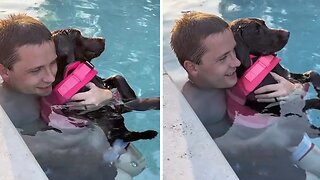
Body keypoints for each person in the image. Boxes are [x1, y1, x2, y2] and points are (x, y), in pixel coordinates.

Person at [170, 11, 320, 179]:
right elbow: (202, 153)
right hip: (264, 156)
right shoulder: (195, 107)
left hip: (283, 135)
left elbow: (290, 82)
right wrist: (269, 139)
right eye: (223, 58)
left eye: (234, 50)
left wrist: (292, 88)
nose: (236, 61)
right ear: (192, 67)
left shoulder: (235, 69)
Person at [0, 14, 145, 180]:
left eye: (53, 63)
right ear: (4, 71)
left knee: (138, 166)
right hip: (79, 171)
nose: (50, 77)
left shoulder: (41, 80)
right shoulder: (8, 114)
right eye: (36, 70)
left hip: (103, 158)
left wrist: (105, 95)